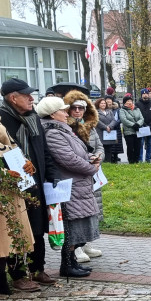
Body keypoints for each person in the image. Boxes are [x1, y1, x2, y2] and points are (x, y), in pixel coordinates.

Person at [0, 78, 57, 289]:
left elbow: (44, 150)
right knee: (18, 228)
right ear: (13, 98)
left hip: (37, 182)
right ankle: (18, 275)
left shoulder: (33, 118)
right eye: (26, 95)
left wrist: (50, 176)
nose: (32, 98)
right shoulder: (1, 120)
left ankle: (37, 269)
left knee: (38, 227)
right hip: (14, 184)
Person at [0, 81, 36, 295]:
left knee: (15, 236)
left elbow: (11, 152)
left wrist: (25, 164)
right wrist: (3, 174)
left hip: (11, 191)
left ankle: (16, 276)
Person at [38, 96, 101, 279]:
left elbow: (77, 153)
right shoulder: (52, 132)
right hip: (69, 186)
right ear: (52, 114)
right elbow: (67, 159)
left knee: (77, 227)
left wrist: (90, 159)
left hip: (78, 185)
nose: (67, 113)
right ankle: (66, 264)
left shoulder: (61, 129)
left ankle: (71, 261)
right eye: (63, 110)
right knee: (70, 227)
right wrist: (90, 168)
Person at [63, 89, 104, 262]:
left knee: (93, 209)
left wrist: (99, 157)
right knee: (78, 212)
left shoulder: (90, 126)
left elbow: (100, 146)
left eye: (81, 108)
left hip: (93, 173)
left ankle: (87, 242)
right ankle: (77, 247)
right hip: (78, 175)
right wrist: (88, 161)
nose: (78, 111)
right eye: (75, 108)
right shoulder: (67, 128)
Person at [136, 88, 151, 161]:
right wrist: (143, 124)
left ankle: (148, 158)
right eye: (143, 94)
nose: (145, 95)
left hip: (150, 127)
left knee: (149, 144)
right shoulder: (137, 104)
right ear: (141, 95)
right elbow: (136, 115)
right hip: (141, 127)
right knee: (141, 144)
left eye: (146, 94)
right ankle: (140, 159)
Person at [97, 97, 122, 163]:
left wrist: (110, 127)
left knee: (109, 148)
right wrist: (105, 127)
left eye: (104, 103)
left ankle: (108, 161)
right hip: (101, 132)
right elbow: (97, 121)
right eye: (101, 103)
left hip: (109, 132)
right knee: (102, 148)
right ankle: (102, 162)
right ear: (98, 104)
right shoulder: (96, 112)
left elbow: (114, 120)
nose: (103, 104)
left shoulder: (109, 111)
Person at [119, 95, 144, 163]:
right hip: (128, 131)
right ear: (124, 103)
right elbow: (124, 119)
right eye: (127, 101)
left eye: (130, 101)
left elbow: (141, 118)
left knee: (138, 146)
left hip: (138, 131)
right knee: (130, 147)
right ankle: (131, 161)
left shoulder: (137, 109)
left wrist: (138, 124)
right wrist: (133, 125)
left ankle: (137, 160)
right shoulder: (122, 110)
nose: (129, 102)